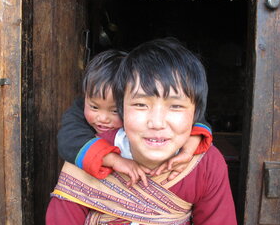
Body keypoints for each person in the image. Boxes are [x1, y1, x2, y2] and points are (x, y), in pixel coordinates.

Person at [40, 38, 237, 225]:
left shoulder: (205, 164)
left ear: (195, 114)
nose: (157, 122)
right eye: (141, 104)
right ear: (121, 108)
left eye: (176, 106)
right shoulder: (87, 157)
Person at [57, 50, 213, 185]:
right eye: (94, 107)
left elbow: (192, 118)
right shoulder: (78, 112)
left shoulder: (208, 165)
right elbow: (68, 139)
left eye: (114, 111)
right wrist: (115, 160)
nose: (103, 118)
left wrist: (188, 148)